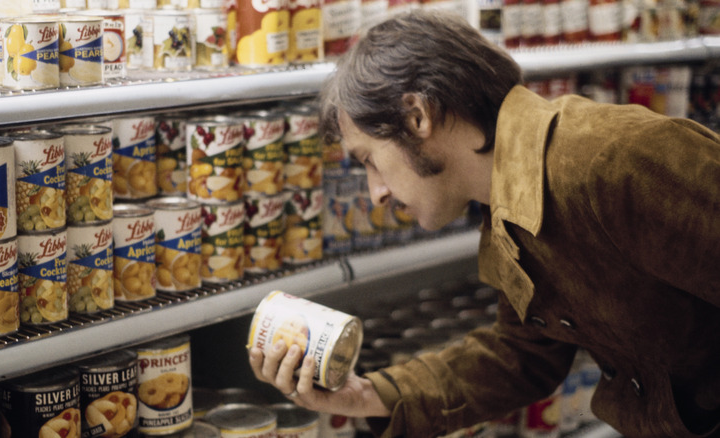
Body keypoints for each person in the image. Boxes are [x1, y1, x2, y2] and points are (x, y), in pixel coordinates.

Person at [248, 9, 720, 438]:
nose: (377, 193)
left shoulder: (615, 162)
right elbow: (524, 354)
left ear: (417, 117)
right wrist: (366, 396)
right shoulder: (509, 205)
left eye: (370, 160)